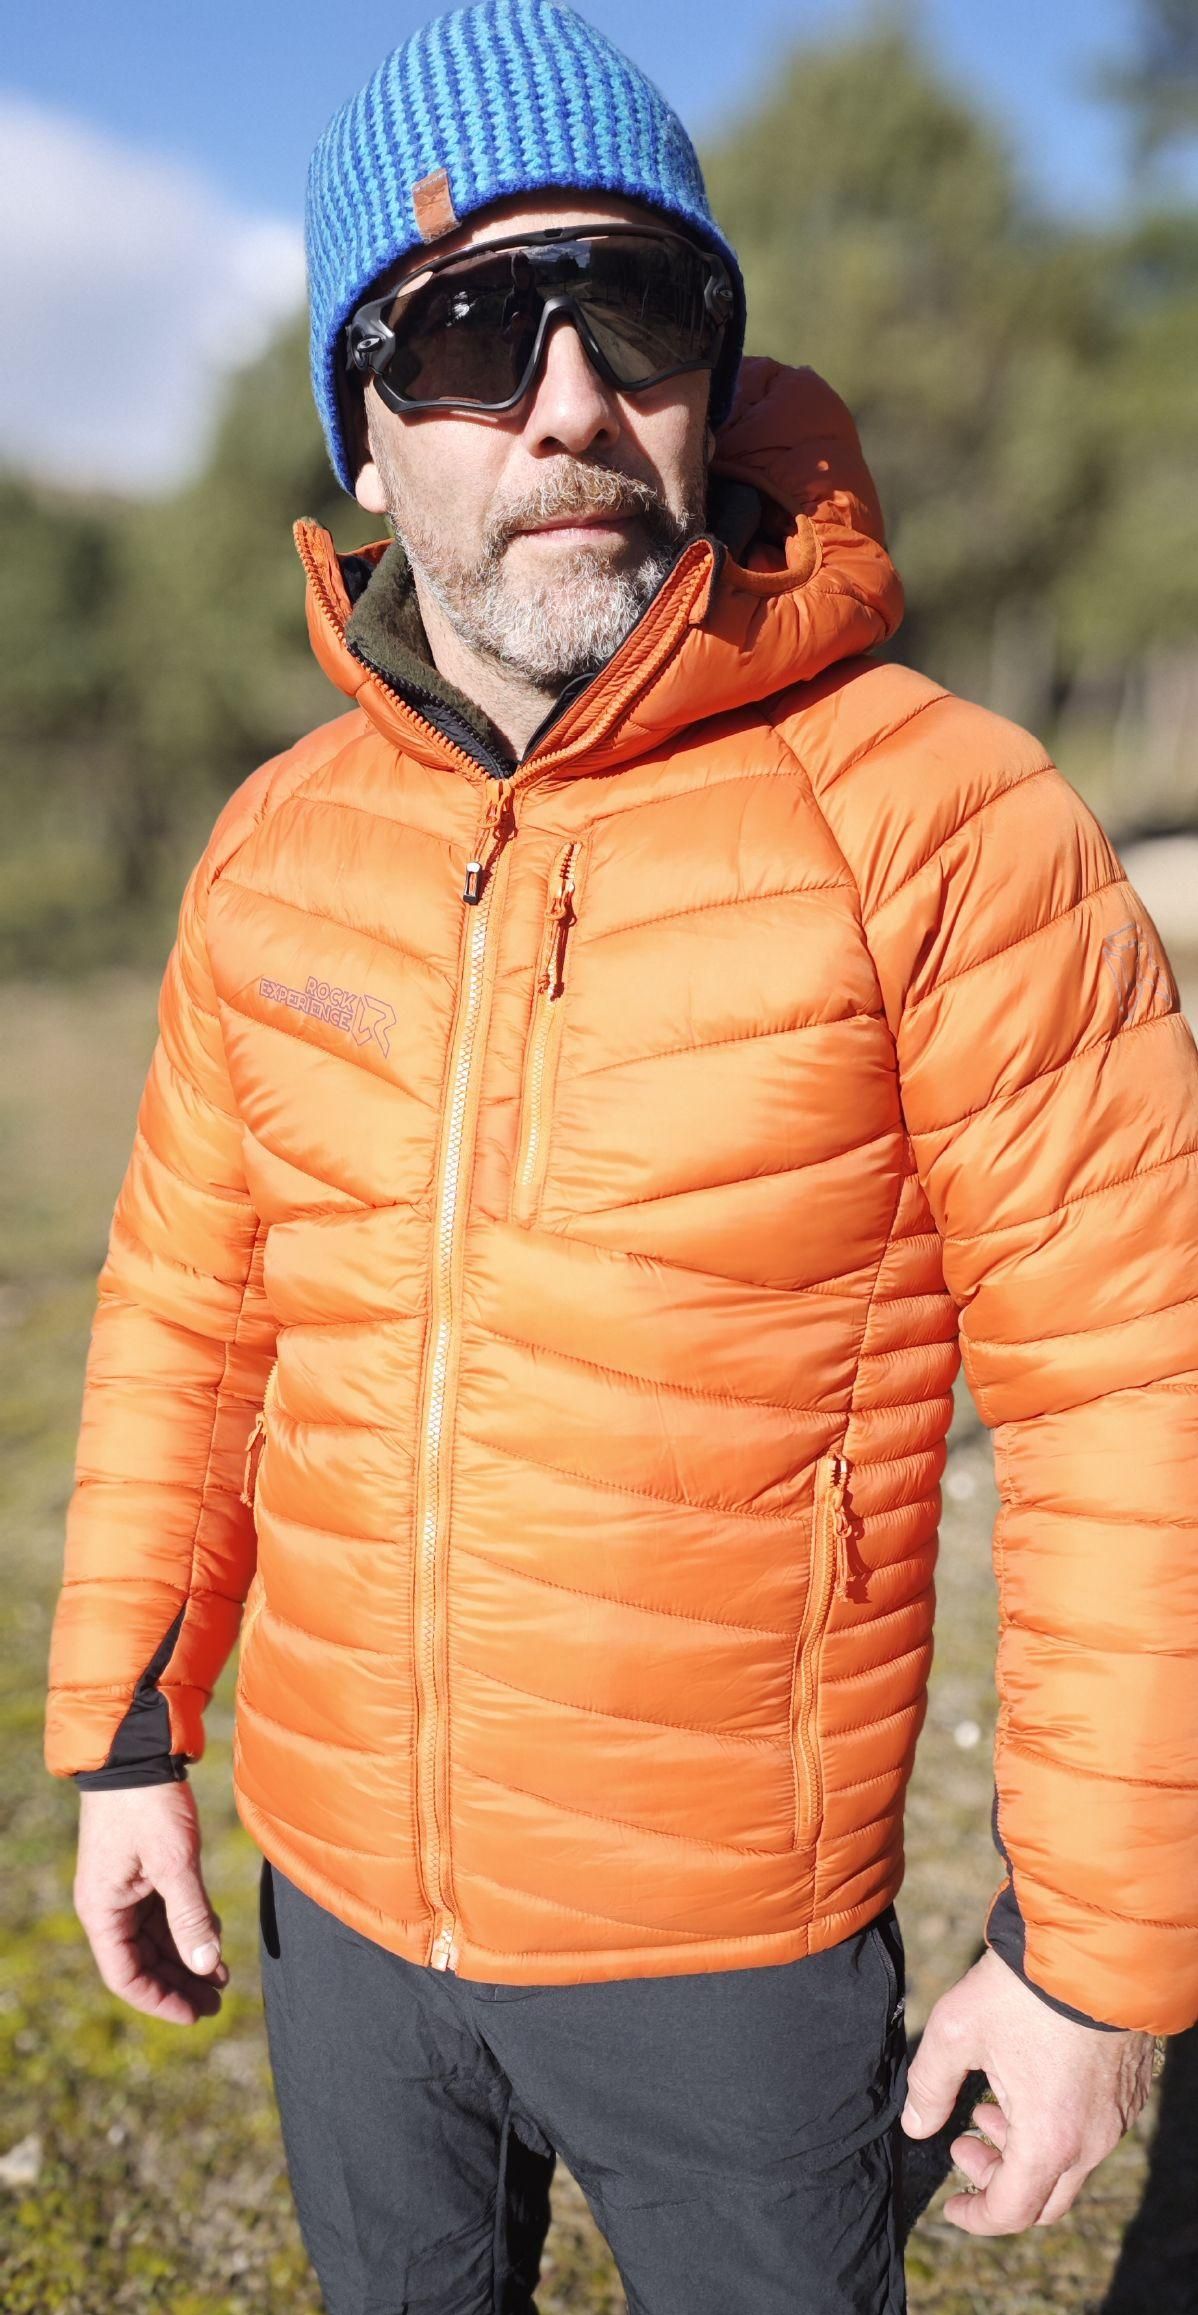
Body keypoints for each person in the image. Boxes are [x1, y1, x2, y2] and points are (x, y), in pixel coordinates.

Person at [44, 2, 1197, 2309]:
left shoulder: (945, 825)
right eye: (472, 330)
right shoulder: (271, 850)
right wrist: (127, 1742)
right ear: (366, 433)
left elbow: (1128, 1400)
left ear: (710, 375)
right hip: (339, 1913)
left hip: (732, 1962)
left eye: (638, 311)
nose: (567, 400)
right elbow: (188, 1313)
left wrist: (1086, 1958)